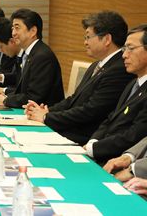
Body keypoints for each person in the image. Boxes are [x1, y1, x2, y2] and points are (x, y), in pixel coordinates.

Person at [25, 11, 134, 145]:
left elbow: (91, 111)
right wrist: (46, 111)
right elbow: (73, 99)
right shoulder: (96, 64)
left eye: (88, 37)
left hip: (85, 137)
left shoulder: (119, 69)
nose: (85, 42)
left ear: (107, 39)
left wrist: (47, 117)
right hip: (71, 129)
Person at [83, 24, 147, 164]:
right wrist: (93, 141)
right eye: (124, 49)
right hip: (100, 152)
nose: (124, 55)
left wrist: (94, 148)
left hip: (119, 160)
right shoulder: (133, 83)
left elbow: (134, 135)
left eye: (131, 48)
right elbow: (112, 118)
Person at [0, 8, 64, 108]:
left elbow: (34, 97)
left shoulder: (42, 56)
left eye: (17, 28)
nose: (13, 33)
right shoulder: (30, 53)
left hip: (44, 116)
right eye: (13, 28)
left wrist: (6, 100)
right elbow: (22, 90)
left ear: (33, 31)